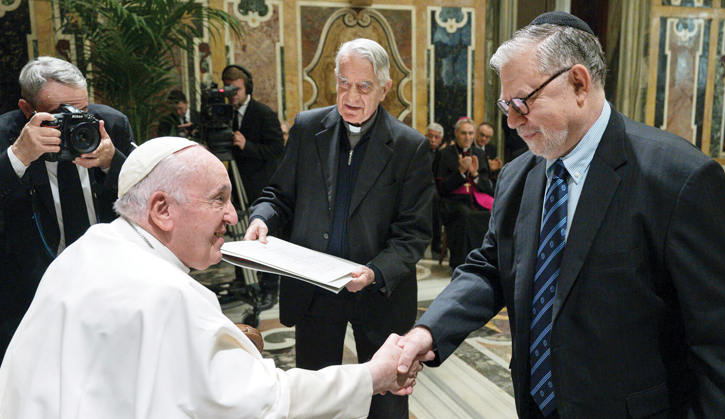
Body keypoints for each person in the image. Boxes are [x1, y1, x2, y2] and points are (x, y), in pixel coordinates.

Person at [397, 11, 725, 419]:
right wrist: (429, 331)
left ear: (578, 83)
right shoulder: (520, 175)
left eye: (522, 102)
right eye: (506, 105)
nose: (511, 122)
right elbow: (491, 268)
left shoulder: (679, 178)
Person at [0, 137, 421, 418]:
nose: (234, 217)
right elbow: (264, 401)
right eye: (218, 200)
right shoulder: (167, 294)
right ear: (162, 210)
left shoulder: (90, 249)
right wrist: (373, 375)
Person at [245, 38, 433, 419]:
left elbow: (413, 232)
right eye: (343, 83)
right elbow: (278, 194)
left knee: (387, 406)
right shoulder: (306, 127)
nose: (351, 95)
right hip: (314, 295)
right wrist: (262, 218)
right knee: (316, 402)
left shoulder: (409, 147)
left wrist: (375, 271)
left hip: (379, 296)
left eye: (364, 86)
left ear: (385, 87)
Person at [0, 56, 134, 359]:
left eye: (82, 110)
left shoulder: (110, 125)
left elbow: (148, 200)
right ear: (26, 110)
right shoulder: (6, 135)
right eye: (60, 114)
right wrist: (17, 157)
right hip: (33, 288)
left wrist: (115, 164)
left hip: (111, 279)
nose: (75, 121)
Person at [222, 64, 285, 310]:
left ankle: (270, 286)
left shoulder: (263, 113)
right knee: (238, 234)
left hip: (261, 186)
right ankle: (243, 283)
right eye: (229, 89)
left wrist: (247, 145)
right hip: (235, 187)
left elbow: (276, 150)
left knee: (264, 237)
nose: (233, 95)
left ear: (247, 87)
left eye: (236, 89)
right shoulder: (224, 114)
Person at [435, 116, 494, 268]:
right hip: (452, 203)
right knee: (466, 216)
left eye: (470, 133)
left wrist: (475, 175)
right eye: (463, 133)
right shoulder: (445, 154)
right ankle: (463, 264)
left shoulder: (479, 154)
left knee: (489, 216)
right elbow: (442, 187)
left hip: (476, 201)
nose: (467, 137)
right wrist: (460, 172)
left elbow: (489, 187)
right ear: (456, 132)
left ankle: (485, 262)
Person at [426, 122, 445, 254]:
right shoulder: (418, 150)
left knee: (437, 213)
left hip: (436, 192)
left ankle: (437, 243)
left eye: (436, 137)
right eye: (430, 136)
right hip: (418, 189)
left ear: (441, 139)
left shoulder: (443, 154)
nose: (433, 140)